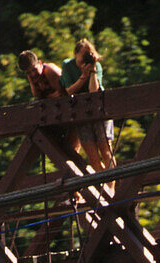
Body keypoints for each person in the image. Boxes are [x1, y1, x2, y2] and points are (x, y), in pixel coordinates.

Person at [60, 38, 116, 178]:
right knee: (92, 156)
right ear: (76, 54)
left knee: (105, 150)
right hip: (81, 114)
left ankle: (111, 188)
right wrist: (83, 76)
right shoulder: (68, 65)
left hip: (99, 110)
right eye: (83, 56)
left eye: (88, 55)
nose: (84, 60)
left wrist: (92, 71)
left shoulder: (96, 66)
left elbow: (94, 91)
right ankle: (104, 187)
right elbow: (69, 91)